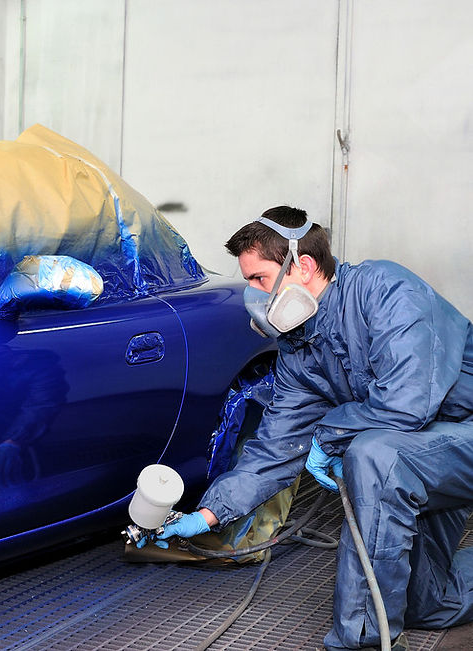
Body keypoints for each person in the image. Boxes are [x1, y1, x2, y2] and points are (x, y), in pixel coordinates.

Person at [157, 206, 473, 650]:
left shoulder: (384, 290)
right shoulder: (300, 348)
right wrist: (206, 515)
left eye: (259, 280)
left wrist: (327, 434)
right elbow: (275, 449)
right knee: (428, 604)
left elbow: (407, 404)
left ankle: (360, 641)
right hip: (428, 453)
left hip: (457, 433)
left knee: (373, 457)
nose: (253, 296)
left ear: (302, 266)